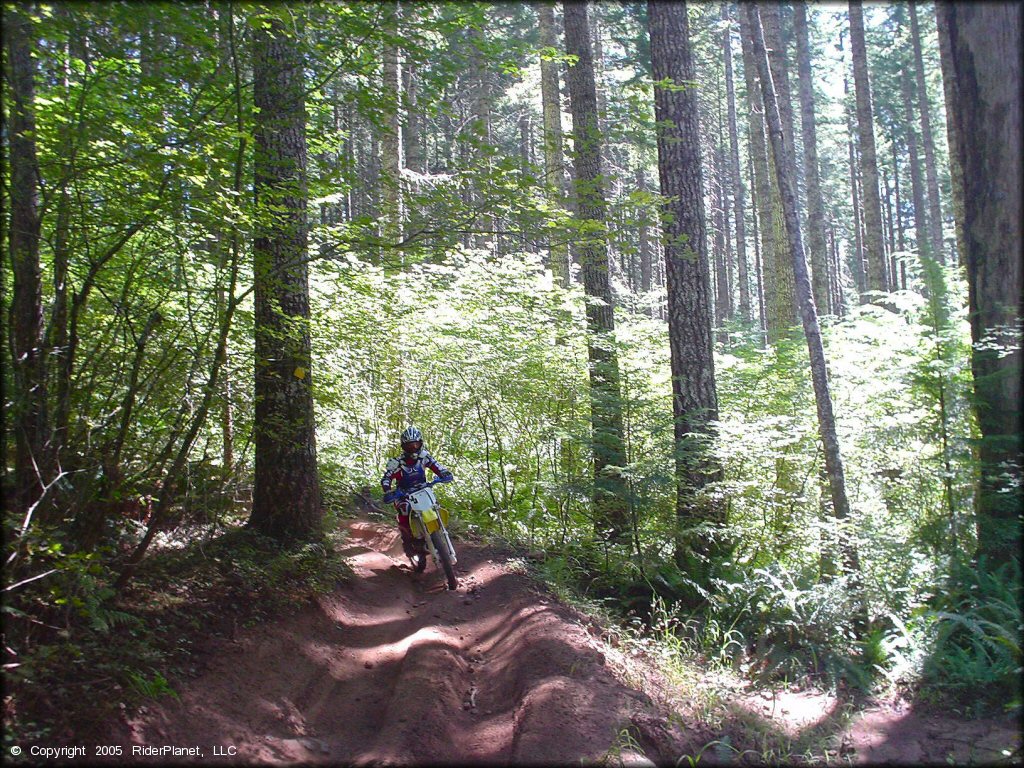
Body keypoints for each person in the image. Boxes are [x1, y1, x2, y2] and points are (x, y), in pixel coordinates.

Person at [381, 426, 453, 563]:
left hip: (423, 490)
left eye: (416, 444)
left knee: (435, 505)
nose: (413, 448)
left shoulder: (424, 457)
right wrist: (388, 490)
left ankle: (437, 533)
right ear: (403, 447)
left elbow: (437, 466)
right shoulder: (397, 463)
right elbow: (387, 477)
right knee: (404, 509)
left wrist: (445, 473)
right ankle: (408, 540)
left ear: (420, 443)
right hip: (403, 494)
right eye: (409, 446)